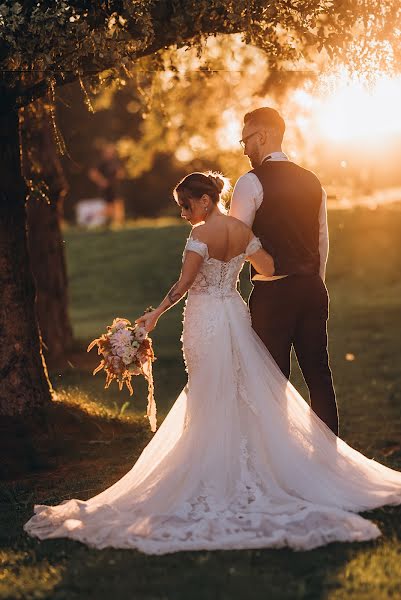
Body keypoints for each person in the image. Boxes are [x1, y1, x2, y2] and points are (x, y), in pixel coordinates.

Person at [24, 172, 401, 554]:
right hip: (235, 313)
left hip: (204, 318)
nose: (183, 212)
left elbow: (184, 283)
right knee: (239, 387)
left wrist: (155, 314)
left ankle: (214, 466)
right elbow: (268, 268)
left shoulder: (199, 236)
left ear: (205, 200)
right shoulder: (241, 231)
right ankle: (248, 462)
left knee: (207, 390)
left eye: (186, 204)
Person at [230, 107, 339, 436]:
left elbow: (236, 239)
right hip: (311, 289)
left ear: (262, 136)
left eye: (245, 140)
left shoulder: (250, 182)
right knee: (319, 373)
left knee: (271, 379)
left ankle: (277, 462)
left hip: (273, 294)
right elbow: (322, 239)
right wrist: (313, 283)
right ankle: (328, 457)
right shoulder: (312, 180)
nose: (245, 148)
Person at [88, 143, 125, 226]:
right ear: (104, 152)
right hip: (107, 188)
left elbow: (121, 173)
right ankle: (92, 218)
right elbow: (92, 173)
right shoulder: (101, 162)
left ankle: (118, 223)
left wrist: (120, 174)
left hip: (115, 186)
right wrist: (101, 181)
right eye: (108, 151)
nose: (110, 152)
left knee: (118, 203)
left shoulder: (115, 161)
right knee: (110, 206)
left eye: (111, 150)